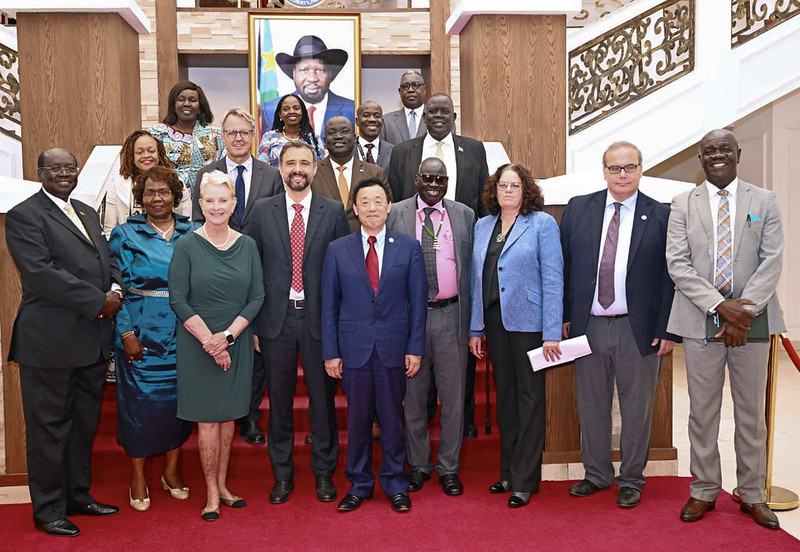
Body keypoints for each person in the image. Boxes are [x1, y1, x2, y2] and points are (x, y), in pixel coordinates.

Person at [667, 129, 785, 530]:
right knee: (702, 412)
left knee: (751, 415)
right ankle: (703, 490)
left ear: (738, 153)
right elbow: (678, 263)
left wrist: (742, 314)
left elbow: (772, 261)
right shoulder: (683, 203)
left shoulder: (763, 200)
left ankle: (752, 494)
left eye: (724, 149)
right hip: (698, 316)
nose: (717, 155)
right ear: (700, 158)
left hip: (754, 318)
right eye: (708, 151)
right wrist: (721, 308)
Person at [6, 148, 123, 537]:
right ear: (40, 173)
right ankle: (49, 510)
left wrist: (116, 289)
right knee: (49, 430)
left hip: (90, 342)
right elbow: (42, 274)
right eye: (54, 168)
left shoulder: (86, 212)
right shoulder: (25, 216)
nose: (63, 173)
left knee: (82, 426)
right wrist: (98, 302)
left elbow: (105, 261)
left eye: (69, 168)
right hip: (50, 344)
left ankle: (77, 496)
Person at [560, 141, 678, 509]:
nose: (622, 174)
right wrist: (563, 317)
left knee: (637, 407)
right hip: (588, 325)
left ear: (641, 170)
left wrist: (668, 328)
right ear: (604, 171)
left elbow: (670, 277)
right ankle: (596, 474)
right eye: (615, 168)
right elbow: (563, 267)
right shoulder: (580, 208)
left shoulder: (661, 214)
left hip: (638, 328)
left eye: (629, 167)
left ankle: (631, 478)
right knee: (591, 404)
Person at [245, 139, 349, 505]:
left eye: (305, 163)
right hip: (276, 321)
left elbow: (342, 273)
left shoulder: (334, 211)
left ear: (315, 167)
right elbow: (251, 269)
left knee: (323, 405)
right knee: (280, 405)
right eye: (291, 163)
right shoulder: (261, 211)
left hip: (320, 321)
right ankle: (283, 477)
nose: (298, 170)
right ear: (280, 167)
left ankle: (324, 475)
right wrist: (256, 323)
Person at [321, 177, 427, 513]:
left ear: (389, 206)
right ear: (354, 208)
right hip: (353, 349)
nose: (371, 208)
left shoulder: (408, 247)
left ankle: (396, 482)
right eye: (364, 202)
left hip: (394, 347)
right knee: (358, 419)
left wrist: (415, 348)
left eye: (378, 201)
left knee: (393, 418)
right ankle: (359, 483)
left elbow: (417, 302)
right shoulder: (338, 249)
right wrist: (331, 352)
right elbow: (329, 305)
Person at [389, 91, 489, 438]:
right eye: (432, 111)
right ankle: (418, 462)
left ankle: (452, 457)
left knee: (456, 390)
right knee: (414, 395)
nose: (438, 116)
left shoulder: (474, 151)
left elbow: (484, 199)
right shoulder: (402, 152)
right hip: (411, 305)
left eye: (445, 111)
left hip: (453, 300)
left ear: (454, 116)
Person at [168, 170, 265, 521]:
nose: (216, 206)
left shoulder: (248, 245)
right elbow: (178, 300)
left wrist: (226, 338)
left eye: (223, 200)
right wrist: (210, 341)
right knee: (208, 422)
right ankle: (210, 493)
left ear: (234, 203)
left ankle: (223, 486)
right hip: (197, 343)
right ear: (200, 204)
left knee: (228, 420)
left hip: (234, 341)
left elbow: (256, 298)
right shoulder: (187, 245)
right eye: (209, 200)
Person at [468, 163, 563, 508]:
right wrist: (475, 327)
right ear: (494, 191)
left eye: (515, 185)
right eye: (502, 185)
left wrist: (552, 331)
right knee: (506, 399)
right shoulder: (483, 226)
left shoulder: (542, 225)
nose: (508, 191)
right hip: (495, 322)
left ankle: (525, 479)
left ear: (526, 191)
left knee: (530, 399)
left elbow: (554, 279)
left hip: (530, 326)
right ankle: (507, 471)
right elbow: (475, 280)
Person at [192, 107, 283, 446]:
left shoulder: (270, 175)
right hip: (216, 272)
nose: (239, 138)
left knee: (256, 346)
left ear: (254, 135)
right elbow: (196, 223)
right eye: (232, 132)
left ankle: (251, 416)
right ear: (223, 136)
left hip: (259, 268)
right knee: (227, 337)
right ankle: (225, 410)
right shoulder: (206, 172)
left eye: (245, 132)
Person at [386, 157, 475, 496]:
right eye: (428, 176)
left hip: (452, 316)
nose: (434, 182)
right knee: (414, 396)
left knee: (453, 398)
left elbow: (473, 272)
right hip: (411, 318)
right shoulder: (396, 214)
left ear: (448, 182)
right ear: (416, 179)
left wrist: (474, 327)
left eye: (441, 178)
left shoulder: (465, 215)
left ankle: (449, 468)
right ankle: (420, 465)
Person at [108, 165, 193, 512]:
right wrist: (126, 333)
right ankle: (138, 476)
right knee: (139, 411)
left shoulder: (193, 232)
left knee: (178, 409)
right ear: (140, 198)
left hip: (185, 333)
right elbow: (116, 290)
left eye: (164, 192)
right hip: (140, 334)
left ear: (175, 195)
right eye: (149, 193)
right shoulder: (125, 234)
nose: (157, 198)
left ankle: (171, 472)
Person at [150, 81, 225, 216]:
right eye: (181, 99)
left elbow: (225, 166)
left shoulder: (216, 133)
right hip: (170, 199)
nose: (186, 104)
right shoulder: (158, 133)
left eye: (192, 100)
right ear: (173, 104)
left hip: (209, 199)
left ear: (200, 106)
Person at [260, 35, 355, 135]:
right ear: (294, 73)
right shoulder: (272, 109)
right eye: (304, 70)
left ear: (330, 73)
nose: (312, 78)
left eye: (320, 70)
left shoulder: (351, 109)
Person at [311, 115, 388, 233]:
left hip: (365, 244)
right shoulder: (312, 173)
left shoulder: (375, 173)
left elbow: (385, 210)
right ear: (325, 140)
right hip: (324, 244)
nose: (338, 136)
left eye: (344, 131)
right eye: (332, 133)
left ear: (353, 138)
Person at [103, 130, 172, 236]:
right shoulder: (116, 186)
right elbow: (109, 231)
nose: (146, 155)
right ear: (132, 157)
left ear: (159, 154)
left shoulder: (175, 182)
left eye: (151, 151)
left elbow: (186, 221)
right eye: (139, 152)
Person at [257, 94, 326, 168]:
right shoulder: (269, 137)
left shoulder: (314, 139)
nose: (291, 112)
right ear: (280, 114)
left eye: (296, 108)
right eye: (286, 109)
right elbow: (262, 168)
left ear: (302, 113)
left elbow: (321, 168)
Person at [380, 71, 428, 145]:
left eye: (415, 85)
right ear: (400, 92)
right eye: (405, 86)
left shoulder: (436, 118)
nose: (410, 90)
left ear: (424, 89)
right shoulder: (386, 121)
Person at [354, 100, 393, 171]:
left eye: (377, 116)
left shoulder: (394, 151)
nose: (372, 119)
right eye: (366, 115)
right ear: (357, 121)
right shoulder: (347, 151)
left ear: (382, 122)